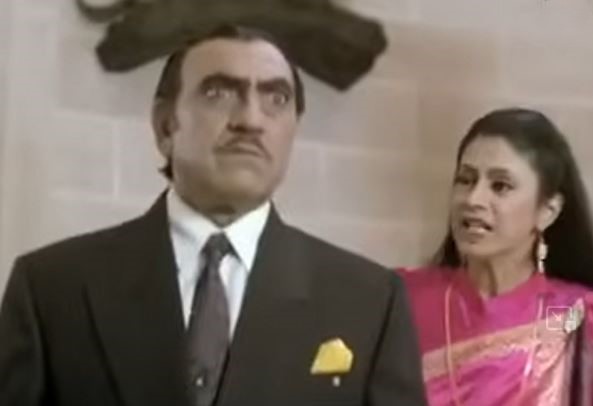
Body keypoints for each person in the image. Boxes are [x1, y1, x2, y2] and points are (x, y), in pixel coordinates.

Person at [0, 25, 427, 406]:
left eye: (276, 98)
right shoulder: (52, 290)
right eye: (219, 93)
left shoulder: (368, 303)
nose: (251, 120)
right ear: (165, 126)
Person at [400, 107, 593, 405]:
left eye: (500, 186)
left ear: (547, 211)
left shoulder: (575, 316)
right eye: (465, 180)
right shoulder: (402, 300)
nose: (473, 199)